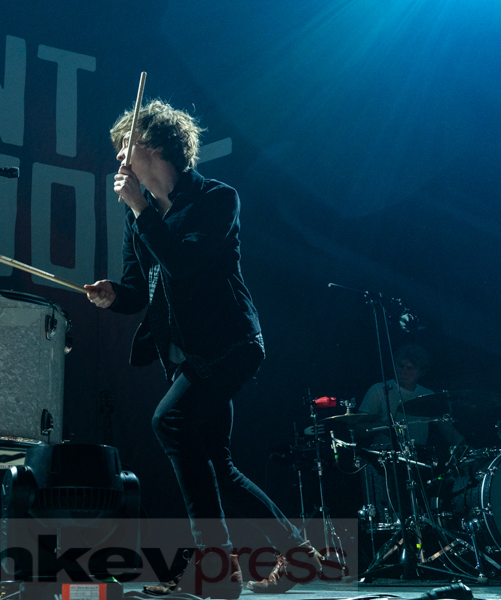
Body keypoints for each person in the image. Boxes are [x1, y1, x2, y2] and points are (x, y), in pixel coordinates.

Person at [85, 100, 320, 598]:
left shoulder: (216, 199)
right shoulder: (139, 218)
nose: (118, 161)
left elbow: (186, 264)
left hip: (229, 344)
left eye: (123, 148)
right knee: (218, 463)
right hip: (184, 355)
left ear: (152, 146)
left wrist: (142, 211)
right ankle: (298, 556)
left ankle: (215, 568)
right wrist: (114, 295)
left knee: (169, 422)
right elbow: (139, 285)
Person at [356, 344, 464, 450]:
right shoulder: (379, 390)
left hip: (419, 458)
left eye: (410, 368)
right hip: (385, 456)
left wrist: (465, 448)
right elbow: (357, 429)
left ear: (422, 372)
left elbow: (448, 431)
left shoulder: (428, 395)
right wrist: (383, 425)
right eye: (401, 366)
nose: (404, 372)